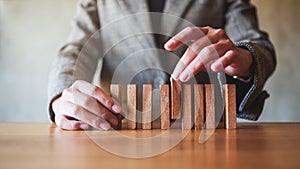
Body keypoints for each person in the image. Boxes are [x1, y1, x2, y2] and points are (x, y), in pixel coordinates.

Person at [48, 0, 276, 130]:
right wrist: (63, 93)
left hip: (202, 130)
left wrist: (243, 57)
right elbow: (77, 48)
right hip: (121, 127)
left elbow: (259, 44)